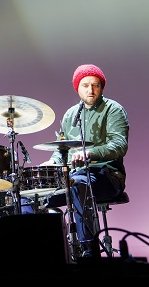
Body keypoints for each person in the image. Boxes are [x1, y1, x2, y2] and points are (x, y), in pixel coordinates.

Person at [42, 64, 128, 258]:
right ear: (77, 88)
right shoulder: (70, 115)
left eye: (95, 85)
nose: (91, 90)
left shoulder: (113, 110)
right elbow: (61, 151)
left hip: (107, 175)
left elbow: (119, 145)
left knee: (79, 185)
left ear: (102, 87)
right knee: (35, 195)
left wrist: (90, 153)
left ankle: (89, 253)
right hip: (74, 176)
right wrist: (51, 163)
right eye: (85, 85)